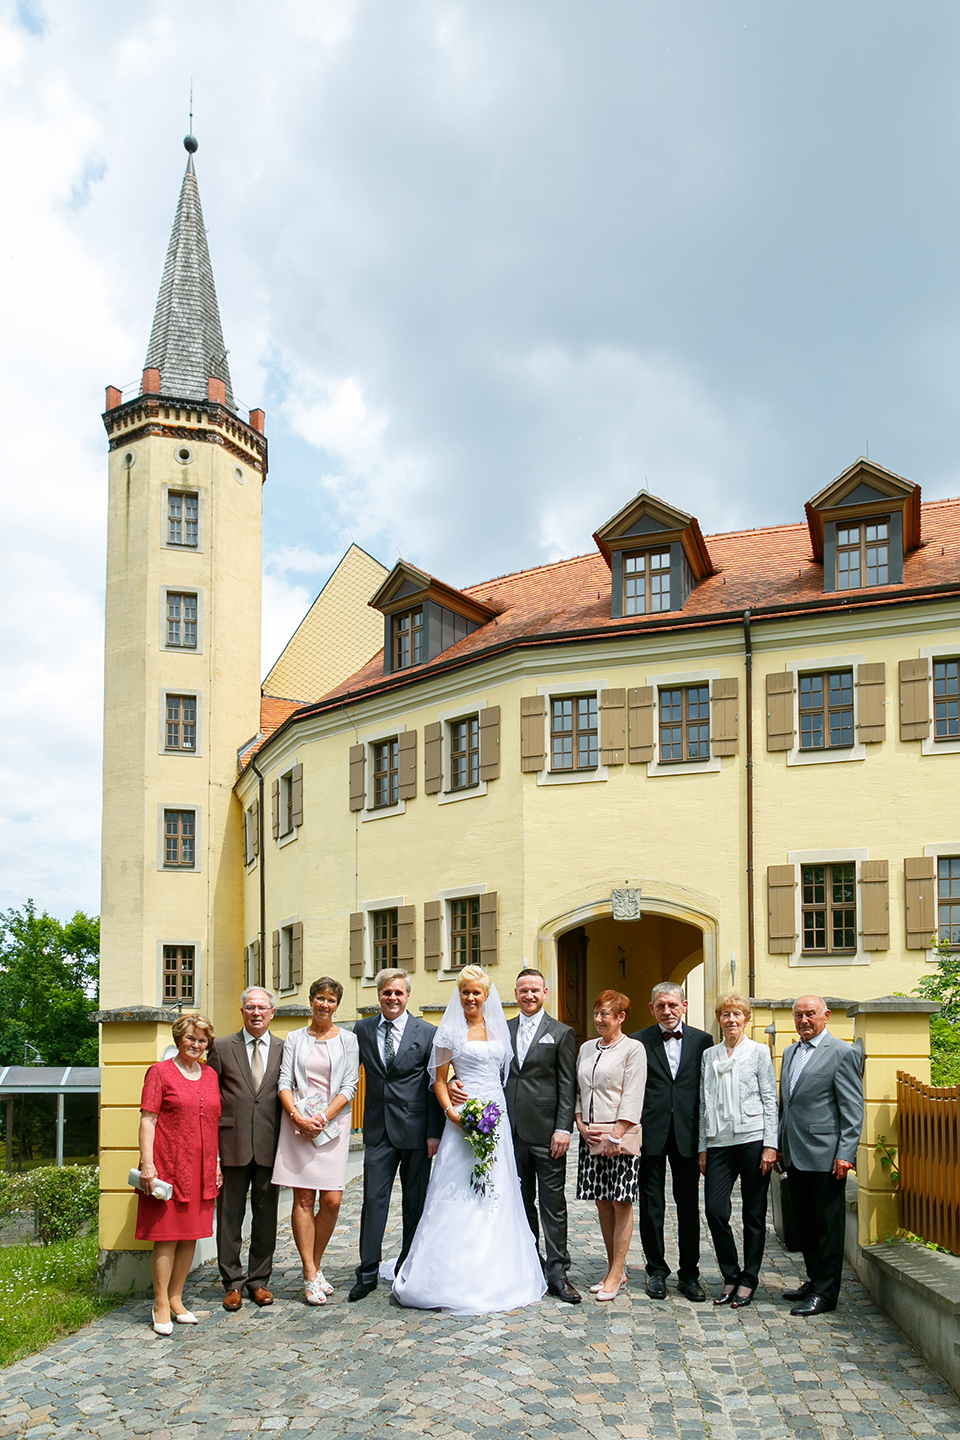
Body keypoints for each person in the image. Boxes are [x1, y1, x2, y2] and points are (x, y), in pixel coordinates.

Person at [391, 965, 547, 1315]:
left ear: (487, 995)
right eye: (465, 992)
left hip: (497, 1118)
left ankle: (499, 1268)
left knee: (498, 1188)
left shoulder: (500, 1030)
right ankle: (446, 1272)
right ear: (458, 994)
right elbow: (440, 1081)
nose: (471, 998)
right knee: (458, 1189)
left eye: (477, 992)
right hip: (462, 1119)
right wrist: (452, 1113)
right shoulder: (449, 1032)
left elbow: (506, 1076)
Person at [349, 969, 443, 1302]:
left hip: (417, 1130)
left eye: (398, 993)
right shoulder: (362, 1029)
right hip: (377, 1128)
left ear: (407, 997)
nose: (392, 998)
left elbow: (435, 1086)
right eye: (387, 992)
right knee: (373, 1200)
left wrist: (434, 1132)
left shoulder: (427, 1032)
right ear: (379, 995)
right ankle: (368, 1270)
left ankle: (409, 1264)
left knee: (414, 1203)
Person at [273, 977, 360, 1305]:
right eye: (320, 999)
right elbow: (284, 1080)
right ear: (310, 1001)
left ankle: (316, 1263)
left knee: (333, 1200)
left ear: (337, 1005)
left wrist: (323, 1117)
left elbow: (350, 1085)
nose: (325, 1005)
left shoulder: (348, 1040)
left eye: (331, 1000)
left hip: (332, 1126)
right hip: (298, 1126)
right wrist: (296, 1115)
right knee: (304, 1200)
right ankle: (310, 1272)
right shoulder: (294, 1038)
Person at [135, 1013, 221, 1335]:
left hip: (202, 1168)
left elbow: (213, 1122)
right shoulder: (159, 1073)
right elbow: (148, 1119)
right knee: (167, 1237)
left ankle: (176, 1298)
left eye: (202, 1040)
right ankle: (159, 1303)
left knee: (190, 1235)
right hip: (169, 1165)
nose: (196, 1044)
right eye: (191, 1038)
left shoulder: (211, 1075)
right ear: (178, 1039)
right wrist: (147, 1163)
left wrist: (216, 1163)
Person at [778, 995, 864, 1316]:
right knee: (806, 1225)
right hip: (796, 1154)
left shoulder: (842, 1053)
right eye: (798, 1015)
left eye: (810, 1014)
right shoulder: (790, 1052)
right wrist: (779, 1145)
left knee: (828, 1227)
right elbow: (786, 1105)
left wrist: (846, 1153)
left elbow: (853, 1109)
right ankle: (814, 1281)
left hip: (828, 1156)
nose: (803, 1020)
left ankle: (826, 1294)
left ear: (826, 1016)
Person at [632, 981, 713, 1301]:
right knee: (652, 1207)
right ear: (652, 1008)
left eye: (673, 1005)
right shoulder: (639, 1041)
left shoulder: (703, 1041)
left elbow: (707, 1091)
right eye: (661, 1006)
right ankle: (656, 1271)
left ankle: (689, 1274)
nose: (667, 1011)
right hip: (650, 1134)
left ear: (685, 1006)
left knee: (688, 1206)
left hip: (688, 1134)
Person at [698, 993, 778, 1308]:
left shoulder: (759, 1052)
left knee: (753, 1214)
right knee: (715, 1211)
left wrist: (770, 1144)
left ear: (746, 1019)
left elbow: (770, 1099)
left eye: (737, 1014)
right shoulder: (709, 1056)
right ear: (719, 1020)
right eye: (726, 1014)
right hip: (719, 1142)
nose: (731, 1020)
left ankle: (749, 1279)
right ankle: (730, 1274)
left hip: (753, 1139)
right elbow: (704, 1102)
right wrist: (703, 1146)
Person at [505, 967, 580, 1304]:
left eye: (535, 990)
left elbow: (568, 1085)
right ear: (517, 993)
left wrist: (564, 1128)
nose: (529, 996)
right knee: (520, 1202)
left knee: (552, 1204)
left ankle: (558, 1271)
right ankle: (528, 1263)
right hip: (511, 1131)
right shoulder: (503, 1030)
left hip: (548, 1132)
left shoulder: (561, 1033)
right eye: (523, 990)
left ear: (545, 992)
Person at [207, 986, 284, 1311]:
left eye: (262, 1008)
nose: (256, 1013)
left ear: (272, 1013)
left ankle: (259, 1281)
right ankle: (233, 1282)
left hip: (271, 1143)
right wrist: (214, 1153)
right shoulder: (222, 1047)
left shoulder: (284, 1048)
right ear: (242, 1012)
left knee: (266, 1216)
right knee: (229, 1217)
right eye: (250, 1007)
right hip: (232, 1144)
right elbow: (210, 1099)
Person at [574, 990, 647, 1302]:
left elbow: (632, 1094)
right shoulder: (587, 1048)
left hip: (620, 1136)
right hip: (590, 1135)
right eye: (597, 1013)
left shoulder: (633, 1049)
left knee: (620, 1202)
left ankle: (617, 1272)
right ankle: (612, 1268)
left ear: (621, 1017)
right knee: (601, 1202)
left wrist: (616, 1135)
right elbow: (579, 1090)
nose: (599, 1019)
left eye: (606, 1014)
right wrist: (579, 1122)